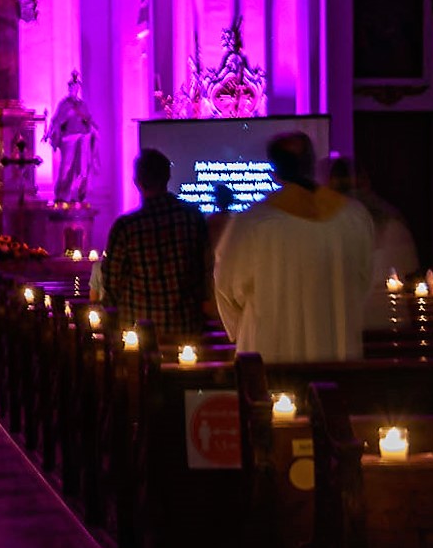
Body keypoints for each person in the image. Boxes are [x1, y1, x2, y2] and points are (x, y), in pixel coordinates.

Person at [214, 133, 374, 362]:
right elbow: (363, 282)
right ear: (312, 164)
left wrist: (241, 325)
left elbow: (227, 288)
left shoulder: (252, 223)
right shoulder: (354, 217)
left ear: (275, 171)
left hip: (270, 348)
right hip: (334, 342)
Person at [101, 149, 211, 341]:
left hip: (139, 331)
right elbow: (205, 270)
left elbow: (111, 281)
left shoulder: (127, 227)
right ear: (168, 177)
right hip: (187, 327)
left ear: (137, 182)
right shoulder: (193, 217)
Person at [327, 155, 420, 329]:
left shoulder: (327, 226)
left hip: (347, 323)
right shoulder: (392, 222)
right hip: (389, 318)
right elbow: (409, 271)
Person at [45, 73, 98, 204]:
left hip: (83, 138)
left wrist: (93, 130)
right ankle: (62, 195)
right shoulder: (64, 104)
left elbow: (89, 119)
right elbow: (56, 120)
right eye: (72, 88)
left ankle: (78, 195)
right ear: (69, 89)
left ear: (78, 88)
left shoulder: (82, 104)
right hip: (69, 138)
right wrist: (50, 132)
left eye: (77, 87)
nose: (74, 90)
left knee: (82, 168)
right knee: (67, 167)